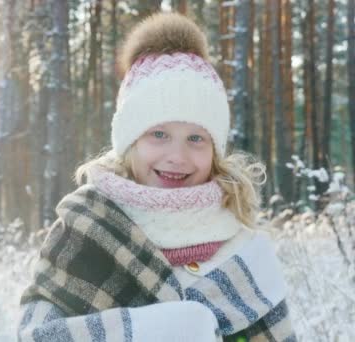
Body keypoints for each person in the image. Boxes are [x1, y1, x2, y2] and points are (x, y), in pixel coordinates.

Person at [17, 11, 295, 342]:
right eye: (159, 134)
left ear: (215, 150)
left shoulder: (244, 249)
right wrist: (155, 331)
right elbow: (38, 335)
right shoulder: (86, 228)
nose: (177, 156)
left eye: (196, 138)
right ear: (130, 141)